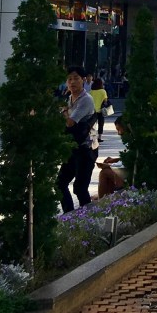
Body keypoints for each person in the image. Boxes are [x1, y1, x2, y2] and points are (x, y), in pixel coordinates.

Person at [58, 69, 98, 212]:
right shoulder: (70, 99)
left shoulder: (86, 99)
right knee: (60, 183)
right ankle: (69, 216)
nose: (72, 82)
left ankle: (88, 222)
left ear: (84, 79)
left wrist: (63, 112)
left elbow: (70, 122)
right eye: (69, 79)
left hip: (85, 150)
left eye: (76, 78)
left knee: (80, 188)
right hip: (72, 148)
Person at [89, 76, 109, 142]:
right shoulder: (103, 91)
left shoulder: (91, 92)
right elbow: (105, 100)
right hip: (100, 110)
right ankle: (99, 137)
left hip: (92, 111)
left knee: (92, 124)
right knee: (101, 124)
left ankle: (93, 137)